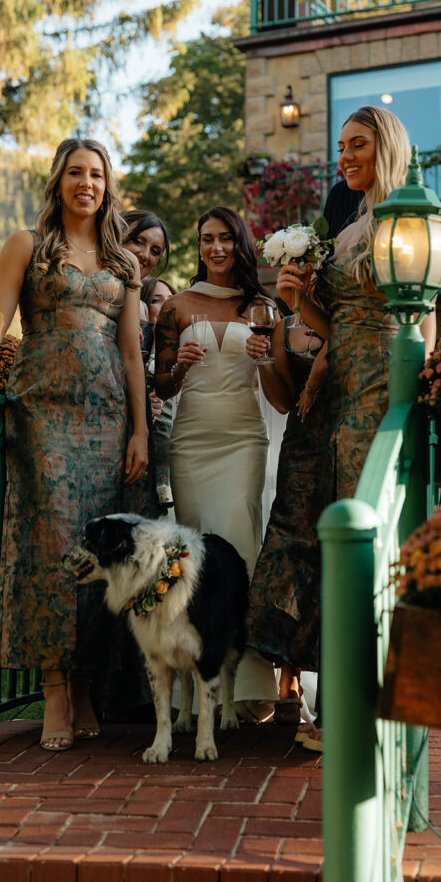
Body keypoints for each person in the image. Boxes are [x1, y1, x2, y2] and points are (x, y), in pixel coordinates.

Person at [0, 138, 148, 752]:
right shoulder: (27, 246)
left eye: (97, 175)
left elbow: (133, 351)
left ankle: (86, 682)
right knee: (52, 545)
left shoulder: (124, 263)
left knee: (99, 548)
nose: (87, 183)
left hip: (109, 418)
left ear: (108, 186)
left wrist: (139, 429)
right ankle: (54, 688)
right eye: (76, 173)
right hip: (45, 416)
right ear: (59, 179)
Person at [276, 106, 437, 749]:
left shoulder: (407, 220)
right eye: (340, 146)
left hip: (382, 394)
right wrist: (296, 301)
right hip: (339, 390)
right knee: (333, 543)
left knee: (371, 538)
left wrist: (414, 402)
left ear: (385, 147)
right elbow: (334, 327)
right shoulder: (348, 227)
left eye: (358, 145)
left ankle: (373, 706)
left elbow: (422, 320)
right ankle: (346, 699)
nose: (344, 157)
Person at [154, 206, 278, 716]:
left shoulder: (262, 308)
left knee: (240, 545)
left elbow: (279, 386)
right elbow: (160, 386)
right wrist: (178, 369)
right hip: (192, 441)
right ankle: (196, 689)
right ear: (199, 245)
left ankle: (247, 684)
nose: (217, 248)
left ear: (240, 244)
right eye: (207, 239)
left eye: (226, 238)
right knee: (194, 558)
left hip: (243, 440)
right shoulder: (176, 308)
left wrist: (266, 354)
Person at [244, 319, 330, 731]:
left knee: (329, 558)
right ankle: (288, 681)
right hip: (300, 446)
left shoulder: (344, 310)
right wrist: (262, 359)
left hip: (342, 441)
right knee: (287, 551)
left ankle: (328, 682)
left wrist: (317, 375)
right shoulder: (283, 327)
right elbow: (282, 402)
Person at [119, 210, 171, 520]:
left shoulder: (137, 299)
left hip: (138, 426)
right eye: (137, 241)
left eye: (155, 251)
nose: (145, 255)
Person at [140, 276, 177, 507]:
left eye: (171, 300)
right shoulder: (137, 342)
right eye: (157, 300)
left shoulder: (183, 341)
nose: (166, 307)